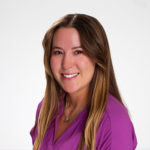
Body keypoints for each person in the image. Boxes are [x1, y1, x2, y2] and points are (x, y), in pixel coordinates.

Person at [30, 13, 137, 150]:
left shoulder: (114, 122)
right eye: (58, 52)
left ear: (97, 57)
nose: (66, 64)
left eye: (78, 52)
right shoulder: (47, 108)